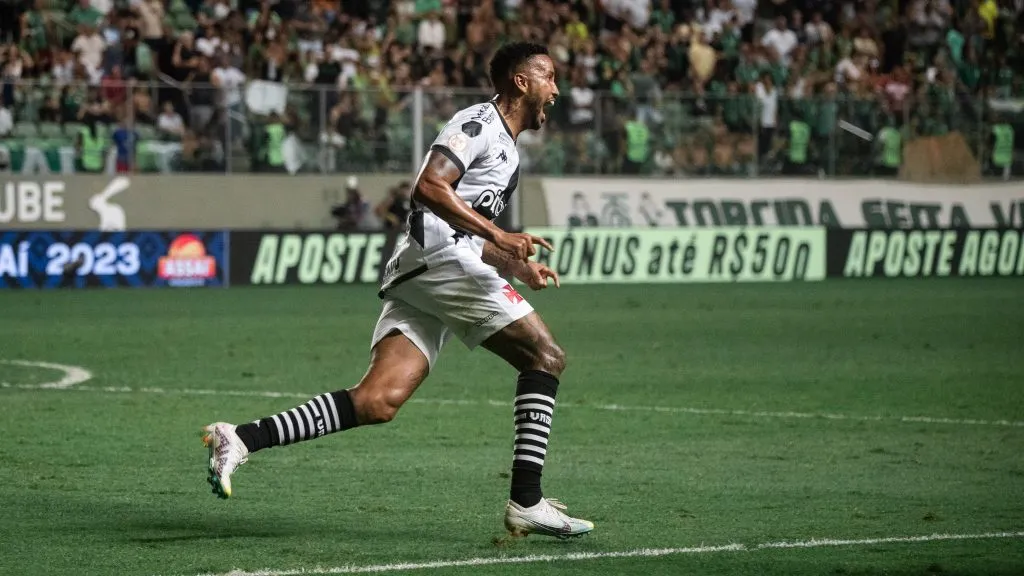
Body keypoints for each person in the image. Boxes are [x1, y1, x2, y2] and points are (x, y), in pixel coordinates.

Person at [201, 42, 594, 539]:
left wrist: (517, 265)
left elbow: (463, 227)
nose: (556, 89)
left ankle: (240, 438)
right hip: (438, 259)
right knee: (545, 356)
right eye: (549, 77)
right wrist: (499, 235)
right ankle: (527, 500)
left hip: (427, 265)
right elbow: (428, 188)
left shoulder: (507, 148)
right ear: (522, 81)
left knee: (377, 400)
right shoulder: (478, 124)